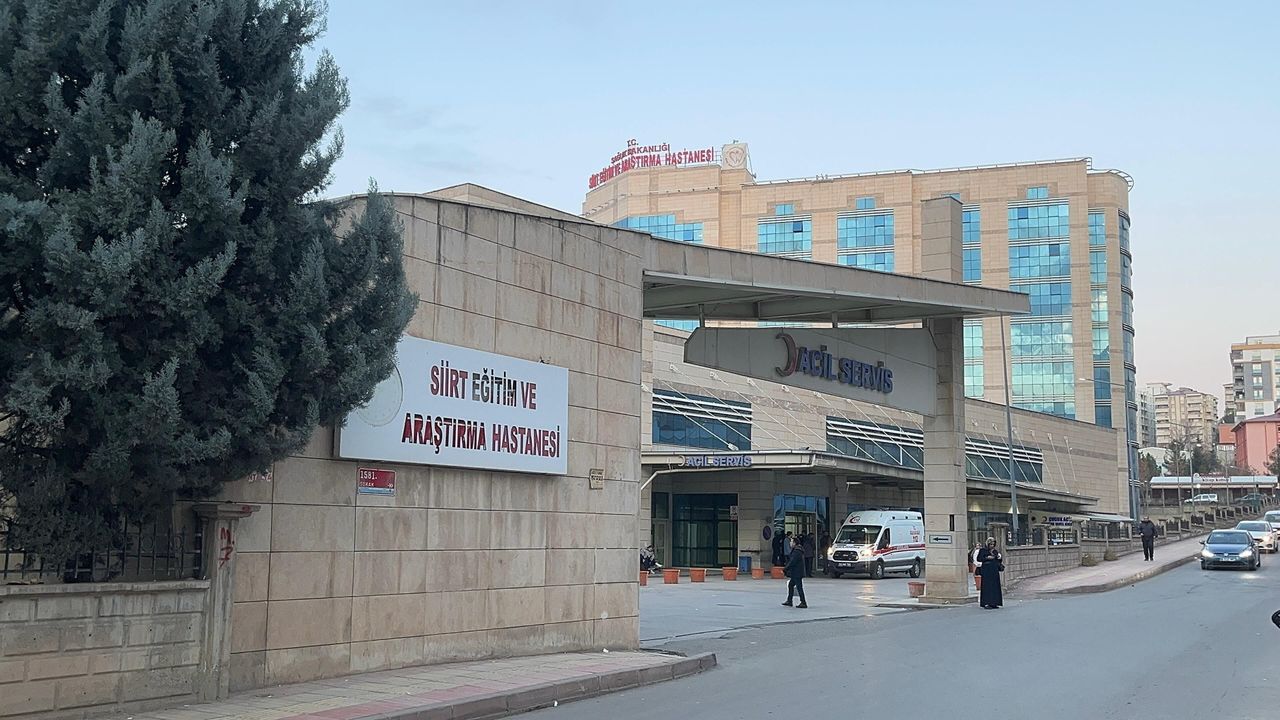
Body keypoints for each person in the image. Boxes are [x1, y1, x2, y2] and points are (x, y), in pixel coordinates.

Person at [976, 538, 1004, 609]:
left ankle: (994, 602)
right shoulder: (983, 550)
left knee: (995, 586)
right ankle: (987, 603)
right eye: (991, 544)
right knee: (987, 587)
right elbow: (979, 559)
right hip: (986, 570)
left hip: (994, 570)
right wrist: (987, 558)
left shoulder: (995, 551)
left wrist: (999, 558)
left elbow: (998, 560)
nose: (992, 546)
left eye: (993, 544)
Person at [782, 537, 808, 608]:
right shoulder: (797, 550)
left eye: (791, 542)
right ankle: (789, 600)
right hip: (795, 572)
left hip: (797, 572)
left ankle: (803, 602)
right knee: (791, 585)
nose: (790, 543)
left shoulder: (797, 551)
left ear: (794, 543)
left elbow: (792, 561)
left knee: (799, 587)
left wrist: (785, 568)